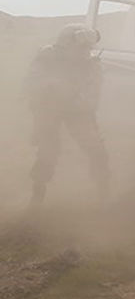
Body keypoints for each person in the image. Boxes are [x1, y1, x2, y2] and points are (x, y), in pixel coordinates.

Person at [24, 24, 111, 207]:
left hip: (78, 110)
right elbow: (32, 83)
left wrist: (76, 101)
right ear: (64, 46)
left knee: (95, 148)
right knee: (48, 151)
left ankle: (104, 192)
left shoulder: (91, 65)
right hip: (49, 108)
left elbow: (92, 98)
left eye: (87, 48)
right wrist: (52, 89)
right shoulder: (47, 57)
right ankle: (38, 193)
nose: (85, 52)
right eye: (80, 48)